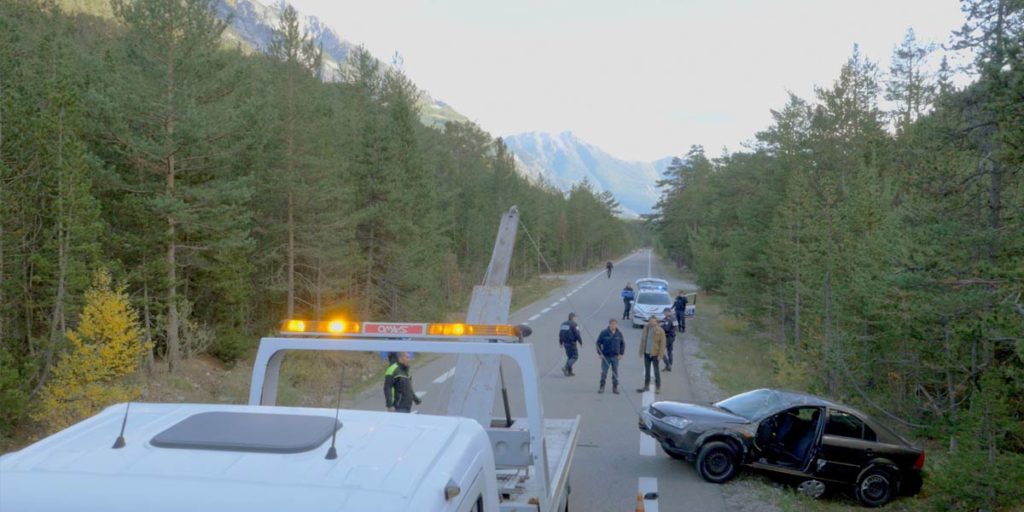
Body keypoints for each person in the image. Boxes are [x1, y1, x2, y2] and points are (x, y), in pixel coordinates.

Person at [636, 316, 666, 394]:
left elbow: (663, 344)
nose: (652, 322)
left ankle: (658, 387)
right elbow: (643, 340)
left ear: (656, 322)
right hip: (647, 353)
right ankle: (646, 386)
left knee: (656, 371)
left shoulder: (660, 331)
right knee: (647, 371)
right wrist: (641, 351)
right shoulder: (646, 328)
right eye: (650, 321)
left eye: (653, 321)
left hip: (655, 354)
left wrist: (660, 355)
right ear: (648, 321)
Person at [595, 319, 625, 394]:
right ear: (609, 325)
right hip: (606, 356)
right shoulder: (604, 333)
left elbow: (622, 344)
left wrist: (621, 354)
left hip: (615, 357)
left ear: (617, 325)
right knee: (604, 372)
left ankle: (615, 388)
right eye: (612, 324)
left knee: (615, 373)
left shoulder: (619, 334)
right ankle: (602, 387)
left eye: (615, 324)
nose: (613, 326)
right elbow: (598, 343)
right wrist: (600, 353)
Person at [660, 308, 676, 372]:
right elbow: (675, 328)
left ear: (668, 312)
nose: (664, 314)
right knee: (669, 351)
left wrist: (660, 326)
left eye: (664, 312)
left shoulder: (668, 319)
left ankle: (668, 364)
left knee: (660, 351)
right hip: (672, 337)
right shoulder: (674, 318)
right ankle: (670, 366)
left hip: (667, 337)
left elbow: (666, 329)